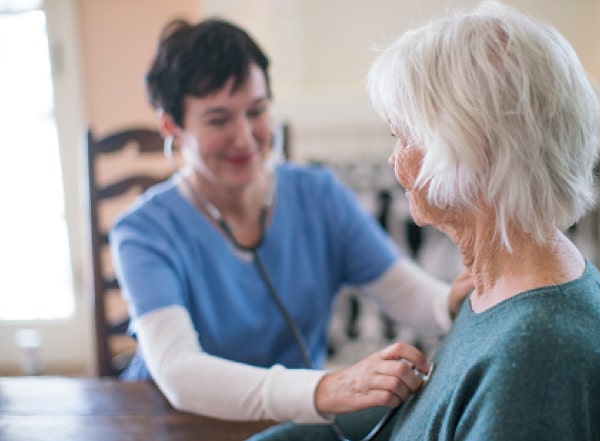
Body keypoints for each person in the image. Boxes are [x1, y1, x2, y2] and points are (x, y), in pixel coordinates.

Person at [249, 1, 600, 439]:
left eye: (403, 136)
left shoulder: (538, 357)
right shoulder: (504, 282)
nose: (393, 159)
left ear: (471, 152)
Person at [109, 17, 473, 424]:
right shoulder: (141, 232)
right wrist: (327, 388)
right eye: (218, 120)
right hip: (176, 422)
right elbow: (178, 371)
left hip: (288, 420)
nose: (244, 137)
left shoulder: (319, 195)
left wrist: (450, 302)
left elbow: (403, 292)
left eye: (256, 111)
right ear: (171, 126)